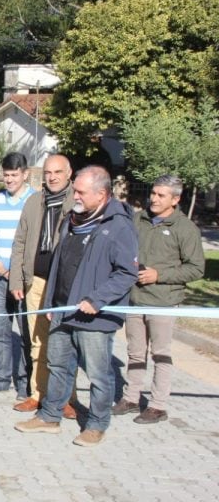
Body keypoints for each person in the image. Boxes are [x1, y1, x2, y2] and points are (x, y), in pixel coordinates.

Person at [15, 166, 138, 447]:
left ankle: (96, 424)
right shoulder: (72, 219)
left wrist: (97, 300)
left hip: (95, 317)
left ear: (102, 194)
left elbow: (126, 273)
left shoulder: (119, 226)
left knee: (97, 373)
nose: (76, 196)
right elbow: (59, 263)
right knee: (57, 364)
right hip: (62, 309)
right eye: (76, 190)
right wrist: (49, 302)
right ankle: (49, 416)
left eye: (81, 192)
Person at [112, 175, 204, 424]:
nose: (154, 198)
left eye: (161, 195)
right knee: (135, 352)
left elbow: (196, 269)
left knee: (160, 354)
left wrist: (159, 275)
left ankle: (157, 405)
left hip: (163, 300)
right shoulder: (138, 219)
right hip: (135, 298)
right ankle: (131, 398)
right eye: (153, 193)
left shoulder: (185, 229)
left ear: (175, 199)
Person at [9, 154, 77, 418]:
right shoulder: (33, 202)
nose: (52, 177)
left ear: (69, 173)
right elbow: (20, 243)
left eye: (58, 172)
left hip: (65, 285)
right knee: (37, 341)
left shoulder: (78, 201)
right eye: (48, 172)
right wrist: (17, 279)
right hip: (34, 280)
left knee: (64, 342)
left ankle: (66, 398)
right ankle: (38, 394)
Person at [0, 152, 35, 398]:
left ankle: (25, 383)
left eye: (14, 175)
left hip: (23, 278)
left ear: (25, 174)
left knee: (25, 331)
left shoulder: (35, 201)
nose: (10, 180)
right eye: (7, 175)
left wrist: (19, 270)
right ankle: (0, 377)